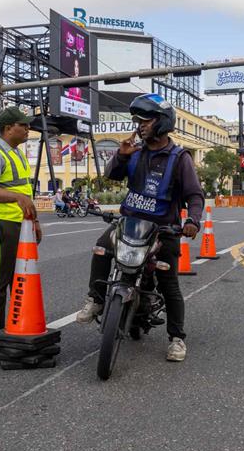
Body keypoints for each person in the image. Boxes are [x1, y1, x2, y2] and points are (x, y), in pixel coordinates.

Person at [76, 93, 204, 362]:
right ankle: (96, 299)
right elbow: (110, 177)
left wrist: (192, 221)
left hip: (163, 229)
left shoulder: (180, 158)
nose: (140, 125)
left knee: (169, 283)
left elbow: (194, 195)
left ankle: (177, 338)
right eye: (137, 120)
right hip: (129, 224)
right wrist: (120, 157)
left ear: (162, 122)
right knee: (101, 247)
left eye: (145, 120)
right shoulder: (133, 151)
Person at [0, 106, 41, 343]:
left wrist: (35, 222)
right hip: (0, 223)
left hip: (18, 225)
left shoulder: (17, 153)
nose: (27, 129)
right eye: (23, 125)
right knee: (0, 282)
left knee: (19, 279)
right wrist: (16, 198)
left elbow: (23, 191)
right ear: (7, 128)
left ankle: (16, 327)